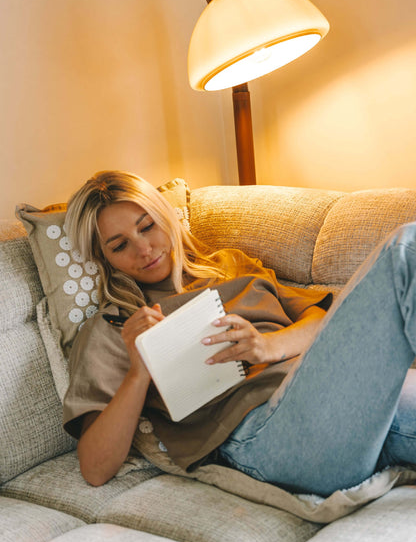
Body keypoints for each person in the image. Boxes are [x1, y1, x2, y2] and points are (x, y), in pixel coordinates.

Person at [63, 170, 416, 496]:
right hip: (265, 435)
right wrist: (140, 371)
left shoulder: (230, 264)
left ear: (164, 217)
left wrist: (267, 346)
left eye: (147, 226)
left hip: (334, 395)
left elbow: (326, 320)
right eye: (120, 245)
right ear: (103, 258)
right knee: (405, 247)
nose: (143, 249)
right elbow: (95, 468)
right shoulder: (115, 326)